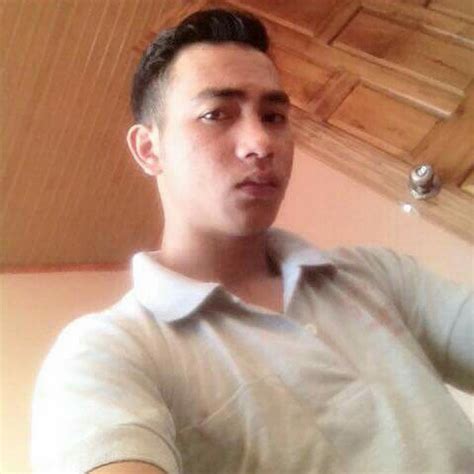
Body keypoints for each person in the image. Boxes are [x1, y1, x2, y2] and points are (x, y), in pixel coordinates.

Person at [31, 8, 473, 474]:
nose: (260, 143)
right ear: (149, 148)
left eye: (274, 116)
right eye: (215, 114)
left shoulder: (377, 274)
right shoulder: (108, 351)